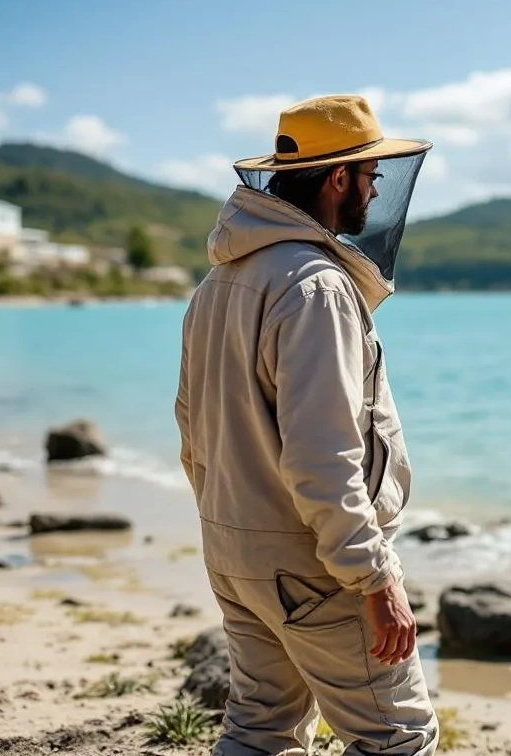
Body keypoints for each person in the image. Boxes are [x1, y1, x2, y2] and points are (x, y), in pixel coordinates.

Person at [174, 94, 438, 756]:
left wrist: (232, 528)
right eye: (370, 176)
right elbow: (324, 455)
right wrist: (373, 578)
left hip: (236, 551)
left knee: (260, 730)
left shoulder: (218, 284)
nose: (377, 192)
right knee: (398, 736)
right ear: (338, 178)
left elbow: (191, 430)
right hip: (313, 564)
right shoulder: (315, 285)